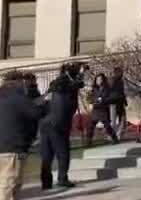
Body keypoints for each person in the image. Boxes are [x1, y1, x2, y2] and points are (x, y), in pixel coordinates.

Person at [40, 63, 85, 190]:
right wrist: (81, 72)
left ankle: (46, 182)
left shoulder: (53, 86)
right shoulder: (68, 85)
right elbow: (79, 83)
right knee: (63, 153)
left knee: (47, 154)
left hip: (45, 122)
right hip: (59, 123)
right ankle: (62, 178)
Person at [0, 71, 43, 200]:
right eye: (23, 81)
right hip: (12, 147)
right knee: (9, 184)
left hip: (5, 146)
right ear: (18, 82)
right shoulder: (19, 97)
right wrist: (44, 103)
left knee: (5, 183)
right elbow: (35, 113)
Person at [85, 73, 120, 146]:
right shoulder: (93, 89)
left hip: (103, 109)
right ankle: (88, 140)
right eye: (97, 79)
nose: (99, 81)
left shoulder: (107, 88)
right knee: (91, 125)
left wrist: (103, 99)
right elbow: (89, 98)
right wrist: (93, 100)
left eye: (100, 79)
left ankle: (114, 138)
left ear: (103, 80)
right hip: (96, 109)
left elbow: (111, 97)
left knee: (107, 125)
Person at [110, 67, 128, 141]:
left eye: (122, 73)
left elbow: (122, 92)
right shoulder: (112, 81)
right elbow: (110, 92)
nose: (121, 74)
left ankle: (119, 134)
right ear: (116, 73)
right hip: (114, 102)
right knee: (113, 120)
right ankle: (113, 135)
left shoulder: (121, 82)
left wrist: (124, 101)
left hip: (120, 102)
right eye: (120, 72)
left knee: (122, 118)